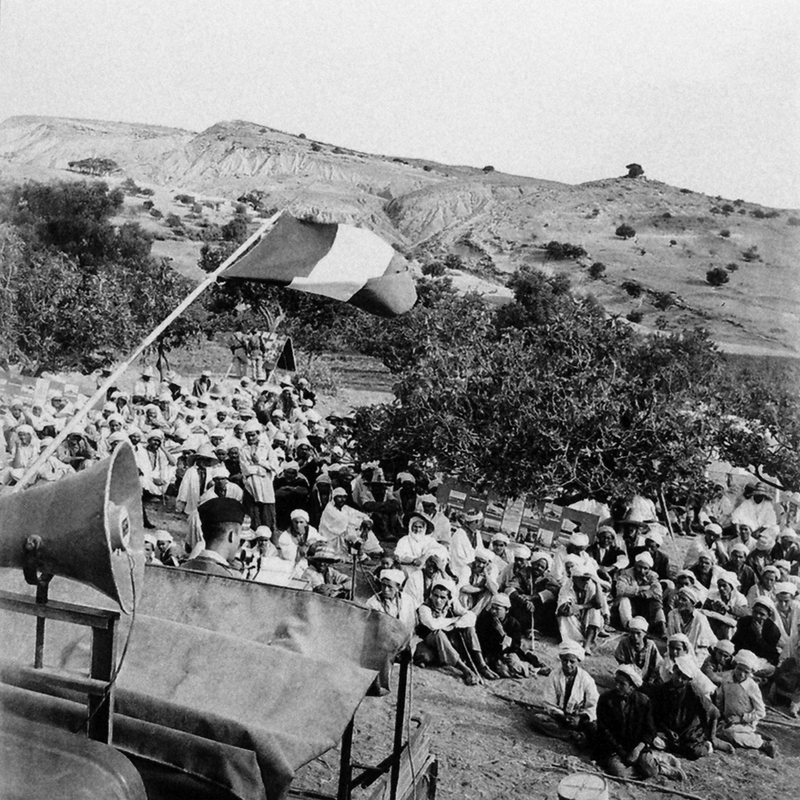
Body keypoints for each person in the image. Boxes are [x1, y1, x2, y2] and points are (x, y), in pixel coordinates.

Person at [414, 578, 497, 685]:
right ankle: (465, 669)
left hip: (447, 639)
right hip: (428, 640)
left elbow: (470, 616)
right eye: (435, 595)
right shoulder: (424, 608)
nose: (438, 600)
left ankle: (482, 665)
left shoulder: (452, 603)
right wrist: (453, 621)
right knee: (438, 634)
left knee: (469, 629)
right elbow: (433, 625)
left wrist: (455, 625)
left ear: (449, 598)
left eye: (442, 597)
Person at [595, 665, 658, 780]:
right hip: (613, 748)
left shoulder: (643, 701)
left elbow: (650, 730)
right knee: (620, 773)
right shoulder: (605, 699)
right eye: (616, 682)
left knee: (651, 770)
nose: (617, 686)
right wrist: (622, 752)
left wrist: (637, 750)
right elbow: (604, 730)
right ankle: (637, 770)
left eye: (622, 684)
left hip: (635, 746)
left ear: (632, 687)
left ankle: (652, 766)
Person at [529, 641, 598, 744]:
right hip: (560, 717)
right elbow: (549, 702)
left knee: (594, 727)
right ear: (561, 659)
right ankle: (572, 735)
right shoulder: (554, 675)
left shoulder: (586, 679)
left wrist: (579, 718)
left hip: (579, 718)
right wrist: (562, 717)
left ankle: (576, 734)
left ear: (578, 661)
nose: (568, 664)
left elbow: (594, 705)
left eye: (572, 661)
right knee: (537, 719)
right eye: (565, 660)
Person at [650, 657, 719, 760]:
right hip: (669, 731)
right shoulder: (662, 689)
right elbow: (656, 715)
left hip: (688, 732)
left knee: (693, 752)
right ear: (673, 670)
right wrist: (668, 731)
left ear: (689, 680)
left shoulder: (694, 693)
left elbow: (714, 712)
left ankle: (706, 745)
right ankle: (675, 747)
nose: (679, 680)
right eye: (678, 674)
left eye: (684, 678)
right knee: (655, 741)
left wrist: (709, 736)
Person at [715, 649, 777, 756]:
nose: (741, 674)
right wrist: (720, 714)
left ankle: (763, 743)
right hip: (728, 718)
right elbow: (720, 698)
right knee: (715, 730)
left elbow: (761, 712)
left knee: (730, 734)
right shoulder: (727, 679)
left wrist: (740, 718)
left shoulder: (752, 686)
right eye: (739, 669)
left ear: (751, 673)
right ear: (735, 666)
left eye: (746, 672)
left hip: (745, 722)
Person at [475, 593, 538, 678]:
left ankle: (528, 668)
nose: (494, 611)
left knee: (515, 664)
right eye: (492, 608)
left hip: (509, 652)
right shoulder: (485, 620)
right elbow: (482, 642)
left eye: (497, 609)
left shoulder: (514, 624)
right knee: (503, 669)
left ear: (506, 610)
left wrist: (502, 634)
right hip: (492, 655)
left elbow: (515, 646)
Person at [180, 497, 245, 578]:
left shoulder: (181, 569)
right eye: (239, 537)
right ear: (231, 536)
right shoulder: (234, 579)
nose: (239, 543)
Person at [505, 547, 560, 638]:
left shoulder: (547, 577)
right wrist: (523, 600)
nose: (538, 568)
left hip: (539, 607)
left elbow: (555, 590)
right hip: (522, 605)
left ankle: (535, 629)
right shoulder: (523, 573)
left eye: (542, 567)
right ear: (532, 563)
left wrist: (533, 597)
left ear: (545, 569)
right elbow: (510, 586)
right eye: (537, 565)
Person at [556, 565, 607, 654]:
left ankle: (587, 645)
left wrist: (597, 583)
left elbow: (599, 604)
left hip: (586, 618)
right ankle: (574, 641)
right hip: (575, 620)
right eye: (583, 579)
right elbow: (565, 610)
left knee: (595, 610)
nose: (586, 582)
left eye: (587, 579)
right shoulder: (566, 588)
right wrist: (586, 605)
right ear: (575, 579)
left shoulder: (591, 586)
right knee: (565, 616)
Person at [239, 420, 280, 530]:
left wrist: (259, 462)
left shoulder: (266, 447)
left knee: (268, 514)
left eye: (253, 435)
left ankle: (269, 539)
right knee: (253, 514)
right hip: (251, 485)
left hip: (266, 484)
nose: (250, 438)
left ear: (258, 434)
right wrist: (261, 470)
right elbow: (245, 469)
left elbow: (274, 466)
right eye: (248, 436)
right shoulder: (243, 449)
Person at [615, 552, 666, 637]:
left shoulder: (652, 576)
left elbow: (658, 592)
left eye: (645, 568)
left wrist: (644, 594)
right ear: (635, 565)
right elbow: (620, 590)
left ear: (648, 569)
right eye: (639, 567)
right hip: (631, 603)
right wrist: (641, 589)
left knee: (656, 602)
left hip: (645, 605)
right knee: (624, 600)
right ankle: (628, 626)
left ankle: (662, 627)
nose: (642, 571)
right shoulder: (626, 573)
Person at [666, 586, 717, 664]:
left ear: (693, 603)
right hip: (677, 651)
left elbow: (702, 648)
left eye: (684, 600)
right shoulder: (672, 614)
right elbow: (671, 637)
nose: (679, 601)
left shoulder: (700, 619)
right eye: (679, 598)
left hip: (696, 654)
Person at [731, 597, 783, 667]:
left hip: (760, 659)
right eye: (755, 612)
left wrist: (759, 635)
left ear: (768, 615)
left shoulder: (773, 630)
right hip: (742, 654)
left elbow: (770, 653)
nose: (757, 616)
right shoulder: (744, 621)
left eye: (762, 614)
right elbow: (736, 641)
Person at [614, 616, 662, 686]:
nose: (635, 636)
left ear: (644, 633)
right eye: (632, 633)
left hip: (647, 678)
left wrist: (650, 680)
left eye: (638, 633)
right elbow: (621, 660)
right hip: (629, 677)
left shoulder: (650, 644)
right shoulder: (624, 643)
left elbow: (658, 664)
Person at [365, 568, 416, 634]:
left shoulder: (407, 600)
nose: (386, 589)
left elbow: (410, 624)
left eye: (390, 586)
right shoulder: (372, 603)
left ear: (398, 587)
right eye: (383, 585)